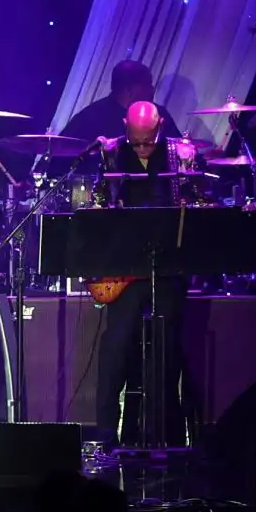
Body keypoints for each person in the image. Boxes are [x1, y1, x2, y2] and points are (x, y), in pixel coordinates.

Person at [91, 100, 189, 447]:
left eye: (150, 140)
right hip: (125, 268)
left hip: (167, 267)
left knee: (167, 346)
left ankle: (164, 432)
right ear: (125, 127)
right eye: (137, 141)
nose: (144, 148)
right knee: (116, 344)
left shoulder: (183, 155)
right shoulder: (111, 154)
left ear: (160, 124)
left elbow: (198, 208)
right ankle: (106, 429)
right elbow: (98, 206)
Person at [59, 59, 179, 145]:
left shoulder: (159, 114)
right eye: (147, 85)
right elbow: (60, 153)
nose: (152, 90)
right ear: (129, 90)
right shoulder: (89, 118)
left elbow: (180, 148)